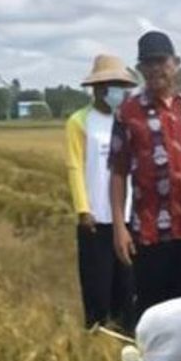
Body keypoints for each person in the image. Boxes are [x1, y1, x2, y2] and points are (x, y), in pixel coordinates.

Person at [109, 30, 181, 320]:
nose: (155, 69)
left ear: (176, 64)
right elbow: (118, 173)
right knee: (156, 315)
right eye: (147, 63)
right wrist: (119, 227)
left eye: (161, 62)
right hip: (151, 231)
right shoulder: (127, 114)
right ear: (140, 69)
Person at [66, 54, 137, 330]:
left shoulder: (128, 121)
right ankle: (97, 344)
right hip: (95, 220)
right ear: (97, 89)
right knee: (98, 288)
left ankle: (127, 341)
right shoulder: (80, 121)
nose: (118, 91)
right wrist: (83, 210)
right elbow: (75, 166)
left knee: (128, 288)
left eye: (121, 85)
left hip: (128, 218)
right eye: (111, 85)